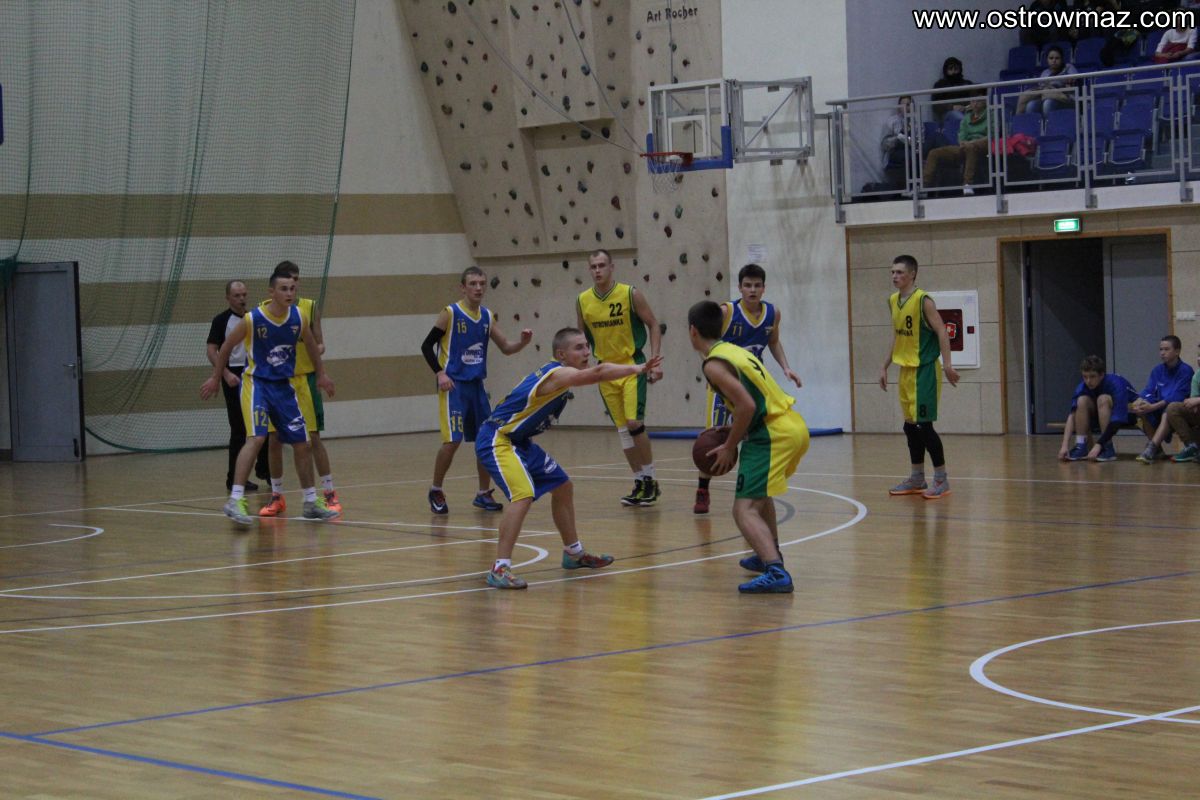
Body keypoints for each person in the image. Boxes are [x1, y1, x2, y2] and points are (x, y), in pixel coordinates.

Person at [477, 328, 663, 589]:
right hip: (498, 438)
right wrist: (638, 368)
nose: (586, 352)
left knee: (563, 486)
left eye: (587, 346)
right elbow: (599, 373)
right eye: (579, 348)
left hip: (519, 441)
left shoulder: (560, 374)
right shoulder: (559, 374)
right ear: (561, 355)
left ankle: (574, 553)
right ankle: (500, 567)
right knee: (523, 495)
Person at [687, 301, 810, 594]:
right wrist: (732, 430)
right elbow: (753, 400)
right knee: (760, 497)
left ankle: (776, 571)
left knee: (743, 510)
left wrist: (729, 445)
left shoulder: (714, 364)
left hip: (771, 435)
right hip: (790, 425)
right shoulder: (734, 350)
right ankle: (768, 553)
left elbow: (747, 405)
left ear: (693, 331)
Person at [200, 271, 339, 525]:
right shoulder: (254, 319)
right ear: (271, 292)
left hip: (284, 387)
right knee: (257, 438)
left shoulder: (299, 316)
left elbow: (311, 345)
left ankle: (310, 501)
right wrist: (216, 377)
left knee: (302, 442)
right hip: (257, 385)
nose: (289, 293)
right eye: (284, 289)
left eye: (292, 289)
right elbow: (226, 347)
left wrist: (321, 374)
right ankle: (235, 499)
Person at [422, 266, 533, 515]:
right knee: (452, 441)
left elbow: (506, 347)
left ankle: (483, 493)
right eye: (473, 283)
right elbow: (426, 346)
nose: (478, 288)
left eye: (482, 283)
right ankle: (436, 489)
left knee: (486, 439)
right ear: (463, 287)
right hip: (453, 385)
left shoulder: (486, 316)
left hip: (476, 386)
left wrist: (522, 342)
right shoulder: (450, 313)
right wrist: (440, 373)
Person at [694, 264, 802, 515]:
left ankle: (749, 486)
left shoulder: (773, 314)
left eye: (757, 285)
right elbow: (705, 341)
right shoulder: (727, 312)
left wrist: (786, 368)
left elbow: (773, 342)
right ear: (740, 288)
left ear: (764, 288)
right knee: (712, 437)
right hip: (725, 386)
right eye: (747, 285)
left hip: (752, 386)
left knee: (751, 436)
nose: (752, 290)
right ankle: (702, 489)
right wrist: (713, 369)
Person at [576, 249, 664, 507]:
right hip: (605, 369)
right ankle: (639, 481)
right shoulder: (582, 300)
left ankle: (651, 480)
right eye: (593, 266)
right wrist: (580, 367)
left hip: (632, 364)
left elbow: (654, 324)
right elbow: (580, 337)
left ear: (612, 267)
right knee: (624, 430)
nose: (597, 270)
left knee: (634, 422)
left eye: (602, 265)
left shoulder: (630, 293)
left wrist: (655, 361)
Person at [257, 261, 341, 518]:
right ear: (274, 288)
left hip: (304, 379)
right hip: (277, 382)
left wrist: (310, 347)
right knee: (274, 440)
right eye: (286, 284)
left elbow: (320, 343)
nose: (291, 288)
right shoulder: (263, 312)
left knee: (312, 438)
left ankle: (329, 493)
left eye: (294, 282)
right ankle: (277, 496)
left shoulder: (307, 308)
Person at [878, 255, 960, 499]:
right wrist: (884, 365)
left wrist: (948, 364)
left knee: (924, 426)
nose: (895, 276)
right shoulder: (893, 300)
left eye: (899, 272)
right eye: (892, 272)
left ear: (912, 274)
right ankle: (917, 478)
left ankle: (941, 480)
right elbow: (897, 335)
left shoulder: (923, 300)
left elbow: (942, 331)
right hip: (905, 370)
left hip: (925, 370)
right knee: (910, 427)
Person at [206, 280, 270, 491]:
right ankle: (234, 479)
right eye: (237, 295)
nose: (242, 299)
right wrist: (224, 374)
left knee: (265, 424)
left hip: (255, 373)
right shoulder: (221, 321)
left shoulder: (254, 318)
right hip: (233, 375)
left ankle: (265, 470)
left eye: (244, 295)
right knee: (239, 430)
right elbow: (212, 351)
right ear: (228, 298)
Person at [1056, 355, 1137, 462]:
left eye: (1092, 376)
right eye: (1085, 377)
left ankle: (1107, 447)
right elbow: (1072, 415)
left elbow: (1118, 419)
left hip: (1128, 416)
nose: (1088, 381)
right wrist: (1064, 445)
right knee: (1082, 400)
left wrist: (1099, 444)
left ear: (1102, 375)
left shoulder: (1116, 383)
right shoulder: (1082, 387)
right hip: (1101, 417)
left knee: (1102, 399)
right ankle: (1080, 446)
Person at [1132, 335, 1195, 462]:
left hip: (1175, 412)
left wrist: (1152, 407)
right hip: (1158, 408)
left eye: (1166, 349)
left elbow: (1177, 396)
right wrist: (1140, 401)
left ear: (1177, 351)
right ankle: (1158, 450)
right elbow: (1149, 390)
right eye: (1161, 349)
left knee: (1169, 409)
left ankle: (1151, 447)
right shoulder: (1157, 370)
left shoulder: (1186, 371)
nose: (1162, 353)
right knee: (1140, 409)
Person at [922, 93, 992, 194]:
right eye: (973, 101)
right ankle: (924, 187)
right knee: (934, 153)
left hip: (983, 145)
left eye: (978, 101)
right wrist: (964, 143)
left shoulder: (990, 115)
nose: (975, 104)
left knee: (971, 148)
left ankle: (968, 184)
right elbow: (961, 137)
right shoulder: (966, 118)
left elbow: (992, 136)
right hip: (965, 147)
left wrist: (972, 143)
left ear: (985, 102)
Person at [1015, 46, 1078, 116]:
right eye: (1051, 58)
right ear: (1047, 60)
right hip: (1047, 97)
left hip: (1066, 99)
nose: (1054, 60)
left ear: (1062, 59)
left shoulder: (1068, 67)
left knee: (1048, 103)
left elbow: (1074, 79)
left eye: (1057, 58)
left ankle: (1050, 123)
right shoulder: (1045, 73)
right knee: (1031, 105)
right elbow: (1041, 88)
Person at [1165, 342, 1200, 462]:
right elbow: (1193, 402)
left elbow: (1196, 400)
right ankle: (1191, 447)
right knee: (1173, 408)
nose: (1199, 359)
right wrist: (1191, 402)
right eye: (1199, 355)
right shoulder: (1197, 376)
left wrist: (1198, 400)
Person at [879, 95, 914, 190]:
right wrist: (898, 138)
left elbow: (921, 141)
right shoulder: (892, 121)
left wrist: (911, 141)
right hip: (895, 153)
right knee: (908, 156)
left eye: (908, 105)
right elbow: (884, 145)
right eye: (903, 105)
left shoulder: (916, 121)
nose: (906, 108)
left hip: (913, 150)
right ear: (898, 108)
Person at [931, 57, 974, 129]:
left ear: (960, 70)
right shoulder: (940, 85)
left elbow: (975, 99)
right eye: (950, 68)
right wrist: (952, 107)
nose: (953, 71)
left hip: (967, 111)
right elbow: (935, 106)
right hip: (948, 113)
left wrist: (966, 107)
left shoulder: (967, 84)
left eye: (956, 69)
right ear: (946, 70)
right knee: (958, 117)